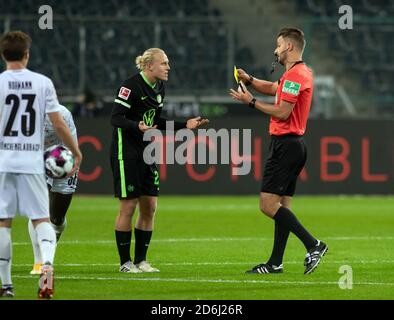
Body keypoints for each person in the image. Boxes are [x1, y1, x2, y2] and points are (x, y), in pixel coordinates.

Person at [230, 27, 327, 275]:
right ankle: (275, 263)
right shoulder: (298, 73)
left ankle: (313, 244)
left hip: (286, 145)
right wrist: (249, 80)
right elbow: (274, 88)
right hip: (295, 145)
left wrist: (250, 101)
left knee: (267, 204)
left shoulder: (295, 76)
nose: (276, 49)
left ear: (289, 47)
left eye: (279, 44)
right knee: (283, 206)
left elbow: (283, 111)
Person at [110, 48, 208, 273]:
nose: (168, 67)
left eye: (168, 63)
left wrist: (185, 125)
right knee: (128, 206)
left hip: (147, 152)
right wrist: (137, 126)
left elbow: (156, 121)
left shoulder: (159, 88)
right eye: (164, 63)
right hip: (127, 153)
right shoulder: (130, 87)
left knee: (150, 207)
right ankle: (125, 263)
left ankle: (140, 261)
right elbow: (115, 118)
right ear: (148, 66)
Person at [0, 31, 82, 298]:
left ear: (3, 55)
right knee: (42, 217)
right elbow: (58, 123)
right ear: (27, 54)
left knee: (4, 222)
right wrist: (75, 152)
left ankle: (6, 284)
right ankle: (45, 264)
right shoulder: (42, 82)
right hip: (33, 160)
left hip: (5, 161)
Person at [28, 104, 78, 275]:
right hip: (36, 158)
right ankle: (39, 262)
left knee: (56, 218)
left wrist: (70, 165)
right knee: (38, 208)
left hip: (63, 159)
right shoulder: (24, 115)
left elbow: (71, 144)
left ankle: (51, 242)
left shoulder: (63, 114)